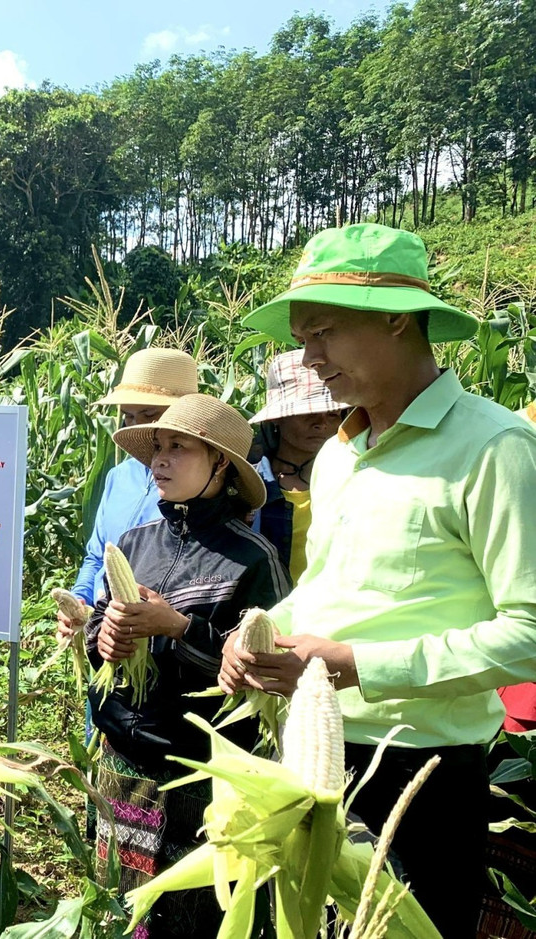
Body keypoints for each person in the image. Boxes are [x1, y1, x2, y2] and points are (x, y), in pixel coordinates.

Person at [219, 222, 536, 938]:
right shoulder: (340, 455)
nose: (308, 357)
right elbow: (328, 583)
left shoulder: (495, 447)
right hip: (312, 756)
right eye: (302, 336)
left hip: (419, 781)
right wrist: (259, 631)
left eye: (324, 331)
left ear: (398, 318)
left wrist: (357, 665)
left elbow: (529, 634)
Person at [70, 393, 288, 938]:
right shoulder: (133, 543)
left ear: (221, 465)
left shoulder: (252, 559)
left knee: (187, 916)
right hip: (123, 760)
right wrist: (107, 637)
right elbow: (99, 626)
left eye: (178, 448)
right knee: (122, 907)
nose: (159, 460)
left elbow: (266, 677)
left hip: (197, 774)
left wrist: (178, 628)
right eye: (158, 448)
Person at [69, 348, 200, 609]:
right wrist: (80, 598)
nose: (136, 425)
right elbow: (96, 557)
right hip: (102, 626)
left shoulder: (198, 488)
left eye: (149, 414)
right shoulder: (118, 477)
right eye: (128, 416)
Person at [248, 349, 343, 585]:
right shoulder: (249, 484)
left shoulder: (351, 480)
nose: (321, 424)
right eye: (307, 413)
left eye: (332, 414)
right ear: (278, 418)